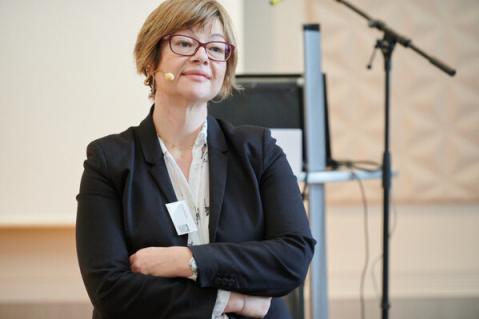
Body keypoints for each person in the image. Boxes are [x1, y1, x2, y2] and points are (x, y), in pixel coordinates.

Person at [75, 1, 315, 318]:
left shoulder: (259, 150)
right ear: (151, 61)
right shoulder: (109, 160)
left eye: (216, 48)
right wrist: (233, 301)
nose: (202, 56)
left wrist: (187, 260)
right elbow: (110, 289)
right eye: (185, 43)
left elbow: (293, 258)